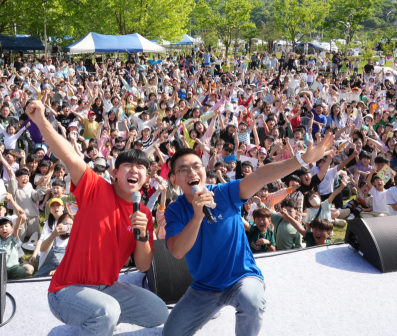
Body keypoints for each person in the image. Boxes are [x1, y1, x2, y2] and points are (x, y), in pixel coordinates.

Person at [162, 133, 334, 336]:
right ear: (174, 179)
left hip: (242, 278)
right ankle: (212, 308)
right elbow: (177, 251)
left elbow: (260, 176)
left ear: (203, 169)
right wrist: (197, 218)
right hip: (204, 286)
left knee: (251, 301)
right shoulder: (174, 211)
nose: (192, 172)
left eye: (196, 166)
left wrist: (301, 159)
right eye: (184, 169)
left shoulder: (224, 193)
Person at [24, 99, 169, 336]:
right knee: (107, 311)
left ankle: (79, 329)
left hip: (106, 289)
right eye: (128, 165)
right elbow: (69, 155)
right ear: (114, 173)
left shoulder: (142, 213)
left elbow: (143, 265)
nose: (135, 169)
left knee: (158, 312)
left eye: (141, 167)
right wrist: (41, 120)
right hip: (66, 291)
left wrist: (142, 235)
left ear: (146, 178)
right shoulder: (96, 188)